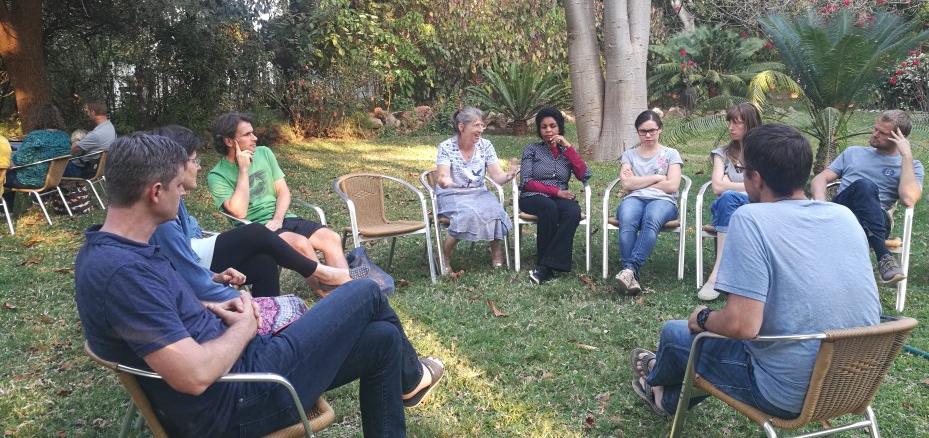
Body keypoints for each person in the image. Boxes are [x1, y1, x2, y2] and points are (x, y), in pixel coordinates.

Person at [75, 134, 444, 437]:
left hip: (246, 374)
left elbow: (160, 313)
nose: (183, 192)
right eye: (177, 186)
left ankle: (408, 382)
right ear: (155, 192)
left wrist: (211, 307)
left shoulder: (116, 249)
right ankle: (412, 379)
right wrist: (246, 325)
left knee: (383, 338)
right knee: (363, 291)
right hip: (240, 400)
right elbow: (194, 376)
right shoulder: (123, 273)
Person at [628, 124, 881, 419]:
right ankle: (664, 395)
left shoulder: (750, 218)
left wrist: (703, 318)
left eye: (742, 169)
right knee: (707, 348)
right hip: (855, 384)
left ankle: (654, 378)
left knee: (676, 334)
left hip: (787, 394)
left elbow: (742, 326)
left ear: (756, 178)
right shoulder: (844, 216)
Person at [148, 125, 364, 300]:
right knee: (256, 231)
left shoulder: (173, 201)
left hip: (276, 221)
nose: (199, 166)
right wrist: (243, 170)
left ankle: (271, 317)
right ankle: (326, 276)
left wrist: (278, 218)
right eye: (195, 160)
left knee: (264, 262)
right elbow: (186, 269)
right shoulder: (212, 178)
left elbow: (189, 228)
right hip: (201, 254)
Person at [207, 113, 349, 272]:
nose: (255, 138)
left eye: (253, 132)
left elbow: (283, 191)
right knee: (301, 244)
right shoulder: (217, 175)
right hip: (257, 229)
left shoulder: (264, 153)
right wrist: (243, 170)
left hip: (283, 218)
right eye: (247, 134)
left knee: (331, 238)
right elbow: (239, 212)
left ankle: (347, 284)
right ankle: (330, 284)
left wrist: (278, 219)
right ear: (229, 141)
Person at [811, 110, 924, 283]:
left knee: (866, 191)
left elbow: (909, 199)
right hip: (840, 214)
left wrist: (906, 156)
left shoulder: (912, 166)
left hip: (876, 220)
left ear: (899, 138)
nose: (875, 134)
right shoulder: (853, 153)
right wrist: (821, 204)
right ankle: (884, 257)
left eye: (882, 133)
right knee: (864, 186)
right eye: (875, 129)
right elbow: (820, 179)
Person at [434, 107, 518, 274]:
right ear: (461, 127)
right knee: (468, 214)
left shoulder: (485, 146)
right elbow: (443, 176)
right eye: (476, 125)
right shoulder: (446, 147)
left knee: (495, 211)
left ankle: (496, 250)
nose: (480, 130)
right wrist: (445, 181)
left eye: (482, 125)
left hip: (478, 192)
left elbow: (497, 175)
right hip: (452, 193)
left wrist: (508, 175)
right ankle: (443, 254)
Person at [613, 110, 684, 296]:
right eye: (643, 131)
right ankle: (631, 276)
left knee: (651, 219)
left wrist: (639, 181)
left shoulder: (671, 154)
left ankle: (629, 269)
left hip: (663, 200)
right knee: (627, 220)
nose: (648, 135)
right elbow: (626, 184)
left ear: (660, 129)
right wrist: (657, 177)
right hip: (633, 198)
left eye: (652, 130)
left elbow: (672, 185)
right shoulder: (629, 155)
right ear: (637, 132)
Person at [518, 107, 591, 284]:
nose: (548, 130)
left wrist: (569, 148)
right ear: (539, 130)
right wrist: (556, 192)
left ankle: (545, 267)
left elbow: (584, 175)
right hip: (533, 196)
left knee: (572, 212)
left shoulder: (566, 152)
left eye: (553, 126)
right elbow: (526, 181)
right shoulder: (532, 150)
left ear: (560, 128)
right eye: (544, 127)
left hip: (560, 198)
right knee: (549, 207)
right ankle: (546, 264)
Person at [698, 102, 762, 301]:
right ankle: (720, 270)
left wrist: (730, 184)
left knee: (728, 195)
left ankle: (719, 274)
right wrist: (744, 186)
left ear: (750, 124)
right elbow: (717, 187)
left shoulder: (764, 151)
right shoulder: (723, 153)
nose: (731, 128)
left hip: (757, 207)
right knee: (727, 198)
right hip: (728, 209)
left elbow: (765, 185)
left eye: (737, 123)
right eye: (730, 123)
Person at [3, 104, 72, 209]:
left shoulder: (35, 136)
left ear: (38, 118)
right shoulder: (64, 136)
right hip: (53, 179)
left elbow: (18, 161)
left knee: (3, 174)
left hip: (30, 180)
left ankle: (5, 212)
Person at [64, 97, 116, 178]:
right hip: (99, 167)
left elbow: (71, 151)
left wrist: (75, 141)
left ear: (92, 112)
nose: (87, 114)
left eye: (87, 111)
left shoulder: (96, 134)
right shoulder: (110, 127)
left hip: (85, 170)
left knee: (51, 170)